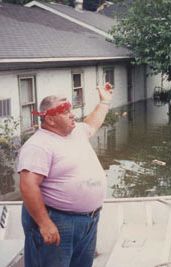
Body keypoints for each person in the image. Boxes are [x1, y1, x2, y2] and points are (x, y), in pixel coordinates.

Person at [17, 84, 113, 267]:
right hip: (59, 221)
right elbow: (28, 185)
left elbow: (92, 123)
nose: (72, 114)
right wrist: (45, 223)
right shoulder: (38, 145)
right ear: (50, 119)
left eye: (70, 109)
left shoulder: (76, 132)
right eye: (65, 111)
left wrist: (105, 101)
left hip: (89, 220)